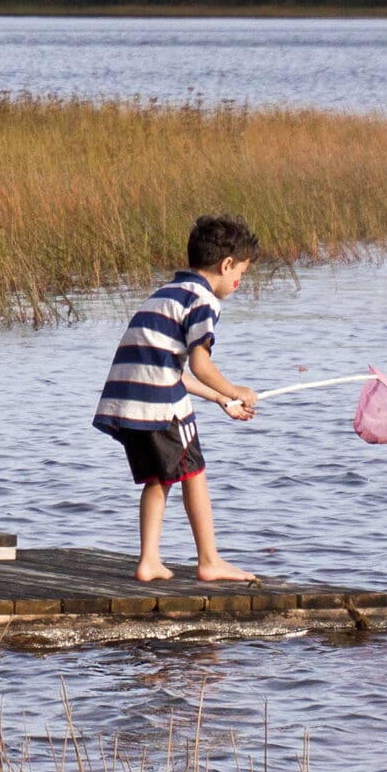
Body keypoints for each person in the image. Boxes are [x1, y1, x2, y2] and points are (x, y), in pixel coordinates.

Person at [93, 214, 264, 584]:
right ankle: (210, 560)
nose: (239, 282)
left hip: (130, 400)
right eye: (242, 274)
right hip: (160, 405)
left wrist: (220, 400)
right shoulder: (203, 301)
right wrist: (235, 390)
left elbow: (171, 370)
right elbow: (200, 365)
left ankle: (149, 561)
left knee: (159, 478)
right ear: (226, 265)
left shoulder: (167, 293)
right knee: (195, 472)